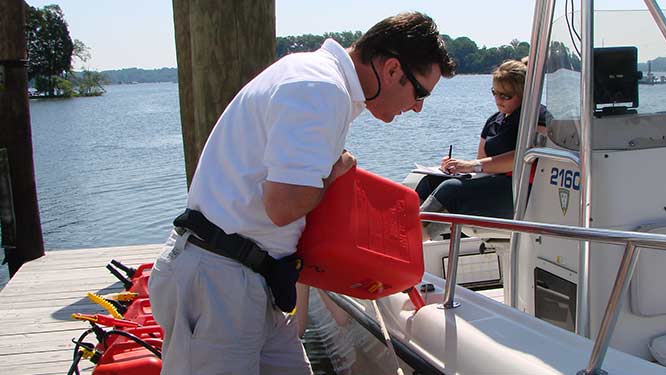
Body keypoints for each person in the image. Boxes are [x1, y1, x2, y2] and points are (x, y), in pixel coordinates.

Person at [148, 12, 456, 375]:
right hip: (220, 282)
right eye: (419, 93)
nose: (418, 107)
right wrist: (333, 174)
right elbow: (283, 205)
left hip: (246, 277)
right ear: (391, 70)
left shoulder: (312, 74)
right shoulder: (322, 89)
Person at [415, 59, 549, 239]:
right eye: (495, 93)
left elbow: (523, 156)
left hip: (523, 190)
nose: (498, 100)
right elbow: (482, 160)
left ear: (523, 94)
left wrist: (472, 165)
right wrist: (456, 166)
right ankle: (403, 231)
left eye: (506, 96)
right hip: (493, 183)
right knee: (429, 182)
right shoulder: (495, 120)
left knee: (451, 190)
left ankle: (412, 239)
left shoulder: (537, 117)